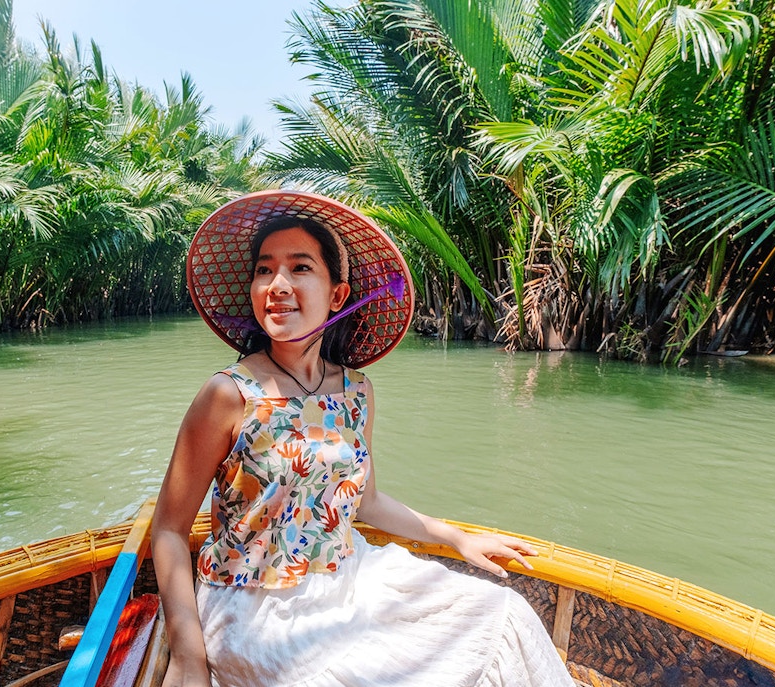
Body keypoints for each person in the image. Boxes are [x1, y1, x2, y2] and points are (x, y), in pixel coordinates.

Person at [152, 190, 575, 687]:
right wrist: (188, 655)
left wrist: (457, 538)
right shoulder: (228, 394)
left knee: (506, 616)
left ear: (337, 295)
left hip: (349, 578)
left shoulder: (356, 391)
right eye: (264, 270)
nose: (277, 285)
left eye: (300, 268)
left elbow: (365, 501)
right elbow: (168, 530)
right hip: (255, 606)